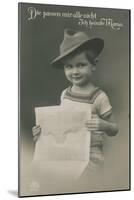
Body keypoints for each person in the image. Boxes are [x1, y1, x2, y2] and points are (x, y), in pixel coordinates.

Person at [32, 29, 118, 172]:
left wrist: (103, 124)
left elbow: (114, 128)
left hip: (91, 156)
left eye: (81, 65)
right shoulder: (65, 94)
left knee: (84, 183)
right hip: (67, 153)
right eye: (69, 66)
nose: (75, 72)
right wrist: (42, 133)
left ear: (94, 64)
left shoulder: (99, 97)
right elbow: (60, 126)